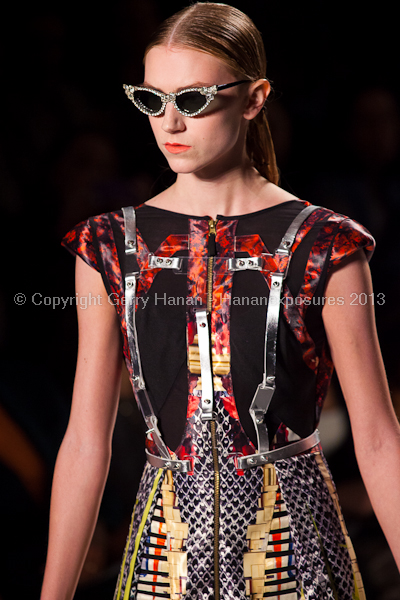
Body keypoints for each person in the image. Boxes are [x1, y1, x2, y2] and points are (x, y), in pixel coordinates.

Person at [40, 3, 400, 600]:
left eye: (193, 99)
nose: (170, 124)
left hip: (299, 558)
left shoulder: (328, 244)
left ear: (255, 98)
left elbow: (379, 437)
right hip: (165, 560)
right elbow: (85, 438)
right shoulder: (108, 245)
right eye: (153, 100)